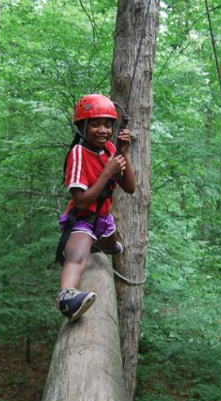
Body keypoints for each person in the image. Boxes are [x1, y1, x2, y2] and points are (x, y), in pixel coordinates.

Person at [55, 94, 136, 322]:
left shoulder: (110, 149)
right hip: (82, 219)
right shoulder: (79, 154)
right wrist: (107, 172)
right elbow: (81, 201)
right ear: (83, 126)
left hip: (103, 221)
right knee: (78, 256)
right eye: (96, 124)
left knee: (111, 246)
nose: (103, 130)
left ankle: (107, 245)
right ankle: (67, 299)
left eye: (108, 125)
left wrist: (123, 154)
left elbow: (130, 187)